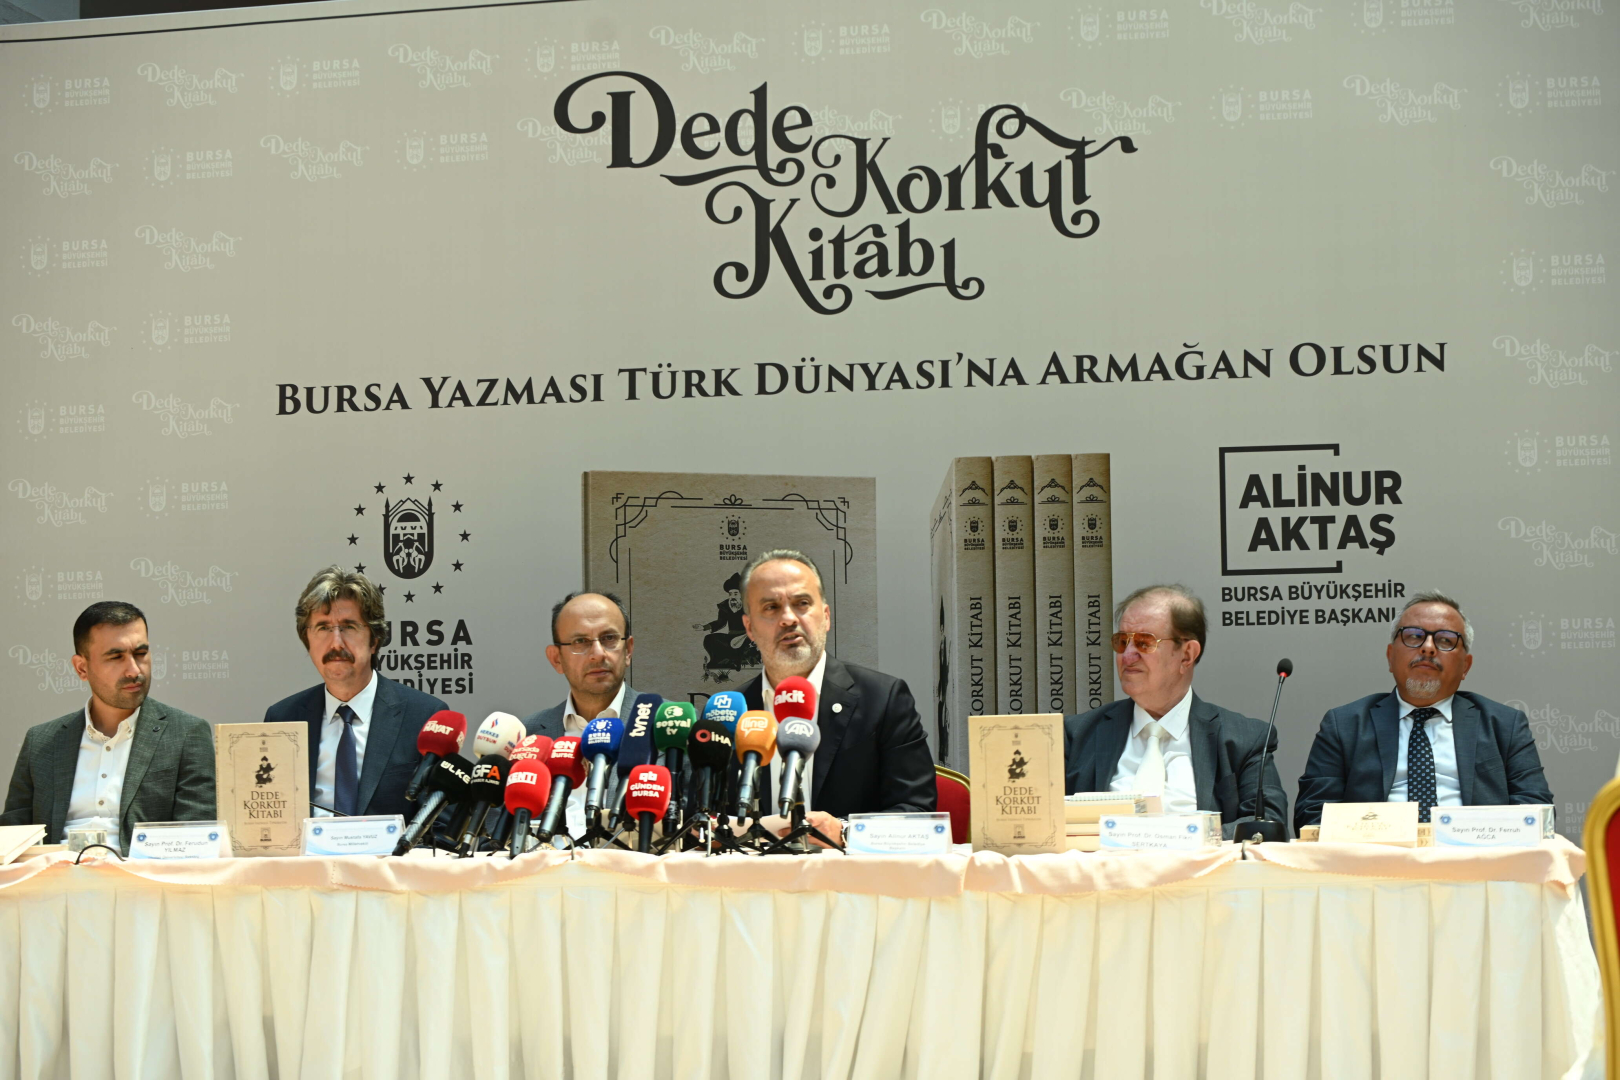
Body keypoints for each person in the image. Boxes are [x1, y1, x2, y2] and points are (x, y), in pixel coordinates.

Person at [1294, 591, 1552, 831]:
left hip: (1473, 856)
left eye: (1445, 640)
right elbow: (1313, 815)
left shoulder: (1504, 725)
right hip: (1378, 857)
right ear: (1390, 657)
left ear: (1465, 666)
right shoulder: (1345, 725)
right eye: (1414, 636)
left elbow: (1537, 813)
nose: (1428, 647)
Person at [733, 550, 936, 845]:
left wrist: (843, 832)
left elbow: (918, 813)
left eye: (802, 604)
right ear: (749, 628)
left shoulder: (883, 699)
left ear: (826, 616)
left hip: (850, 871)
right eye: (771, 607)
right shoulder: (732, 712)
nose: (788, 618)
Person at [1063, 584, 1287, 837]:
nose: (1127, 656)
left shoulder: (1243, 739)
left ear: (1187, 655)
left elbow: (1266, 824)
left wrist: (1184, 838)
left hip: (1201, 862)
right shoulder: (1076, 735)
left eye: (1144, 643)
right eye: (1122, 642)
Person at [2, 601, 215, 853]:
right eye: (116, 657)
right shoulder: (41, 741)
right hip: (56, 872)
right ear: (82, 668)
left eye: (141, 653)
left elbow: (196, 837)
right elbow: (12, 837)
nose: (134, 670)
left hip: (141, 872)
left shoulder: (186, 733)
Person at [263, 567, 446, 819]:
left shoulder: (425, 717)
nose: (336, 643)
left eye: (348, 627)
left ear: (374, 640)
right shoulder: (283, 719)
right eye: (323, 628)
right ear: (307, 641)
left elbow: (439, 825)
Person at [522, 592, 639, 740]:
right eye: (580, 641)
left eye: (609, 638)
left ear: (628, 650)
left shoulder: (663, 725)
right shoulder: (525, 735)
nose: (598, 654)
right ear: (556, 659)